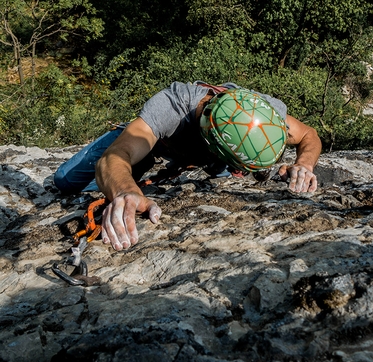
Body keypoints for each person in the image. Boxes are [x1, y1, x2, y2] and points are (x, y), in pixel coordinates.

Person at [54, 81, 322, 251]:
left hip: (210, 156)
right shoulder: (172, 106)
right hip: (156, 143)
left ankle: (214, 163)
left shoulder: (266, 113)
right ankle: (142, 161)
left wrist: (303, 164)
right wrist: (125, 189)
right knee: (66, 181)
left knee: (221, 172)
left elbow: (309, 134)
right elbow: (115, 156)